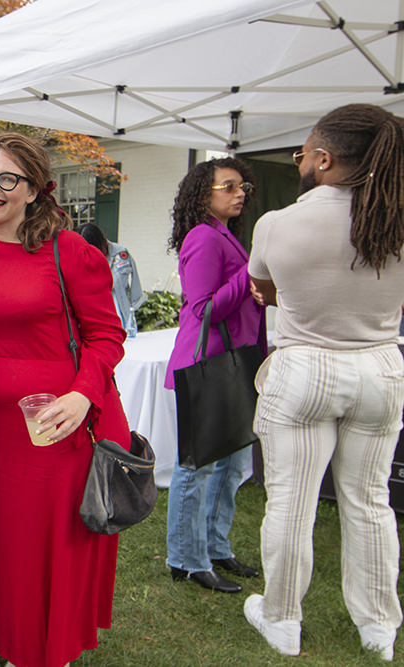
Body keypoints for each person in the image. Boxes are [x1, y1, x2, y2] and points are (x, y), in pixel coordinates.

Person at [0, 132, 131, 666]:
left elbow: (107, 335)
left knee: (58, 543)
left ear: (34, 190)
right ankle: (19, 646)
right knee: (14, 545)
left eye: (8, 179)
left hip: (63, 421)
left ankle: (54, 650)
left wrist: (81, 396)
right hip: (0, 428)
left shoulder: (66, 251)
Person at [246, 104, 404, 660]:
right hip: (380, 367)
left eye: (303, 154)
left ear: (325, 158)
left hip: (304, 367)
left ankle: (282, 619)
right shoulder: (396, 221)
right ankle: (379, 628)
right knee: (371, 502)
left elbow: (265, 289)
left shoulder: (276, 223)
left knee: (291, 503)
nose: (300, 163)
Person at [163, 158, 266, 595]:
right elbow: (205, 308)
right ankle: (186, 560)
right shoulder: (203, 237)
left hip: (233, 362)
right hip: (206, 364)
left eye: (243, 187)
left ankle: (215, 547)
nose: (240, 193)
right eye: (229, 186)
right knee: (198, 466)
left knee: (233, 462)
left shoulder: (225, 234)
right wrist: (250, 273)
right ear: (204, 195)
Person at [74, 222, 146, 336]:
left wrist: (135, 303)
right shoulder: (80, 257)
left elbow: (134, 278)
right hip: (96, 314)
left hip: (121, 312)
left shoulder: (120, 253)